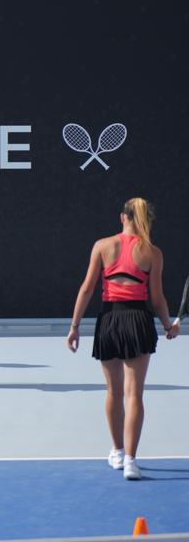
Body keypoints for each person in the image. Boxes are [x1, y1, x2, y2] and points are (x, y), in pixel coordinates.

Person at [67, 197, 178, 480]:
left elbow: (86, 289)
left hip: (110, 321)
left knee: (113, 393)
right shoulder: (153, 253)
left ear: (122, 218)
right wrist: (168, 325)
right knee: (134, 394)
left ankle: (116, 452)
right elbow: (157, 298)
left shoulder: (103, 246)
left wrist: (74, 326)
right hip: (138, 321)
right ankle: (130, 460)